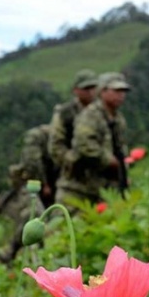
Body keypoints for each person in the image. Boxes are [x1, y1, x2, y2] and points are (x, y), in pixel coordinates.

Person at [55, 72, 129, 211]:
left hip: (102, 189)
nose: (121, 95)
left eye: (123, 91)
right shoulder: (90, 116)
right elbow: (84, 144)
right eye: (116, 91)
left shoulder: (118, 119)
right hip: (78, 189)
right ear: (103, 91)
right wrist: (108, 160)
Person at [0, 124, 57, 262]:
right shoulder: (40, 136)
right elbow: (32, 162)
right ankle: (11, 251)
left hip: (54, 186)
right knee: (33, 216)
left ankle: (44, 257)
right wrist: (43, 182)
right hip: (32, 184)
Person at [48, 69, 98, 169]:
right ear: (76, 90)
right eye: (86, 88)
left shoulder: (102, 111)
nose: (90, 92)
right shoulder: (65, 113)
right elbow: (56, 145)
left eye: (93, 88)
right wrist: (71, 161)